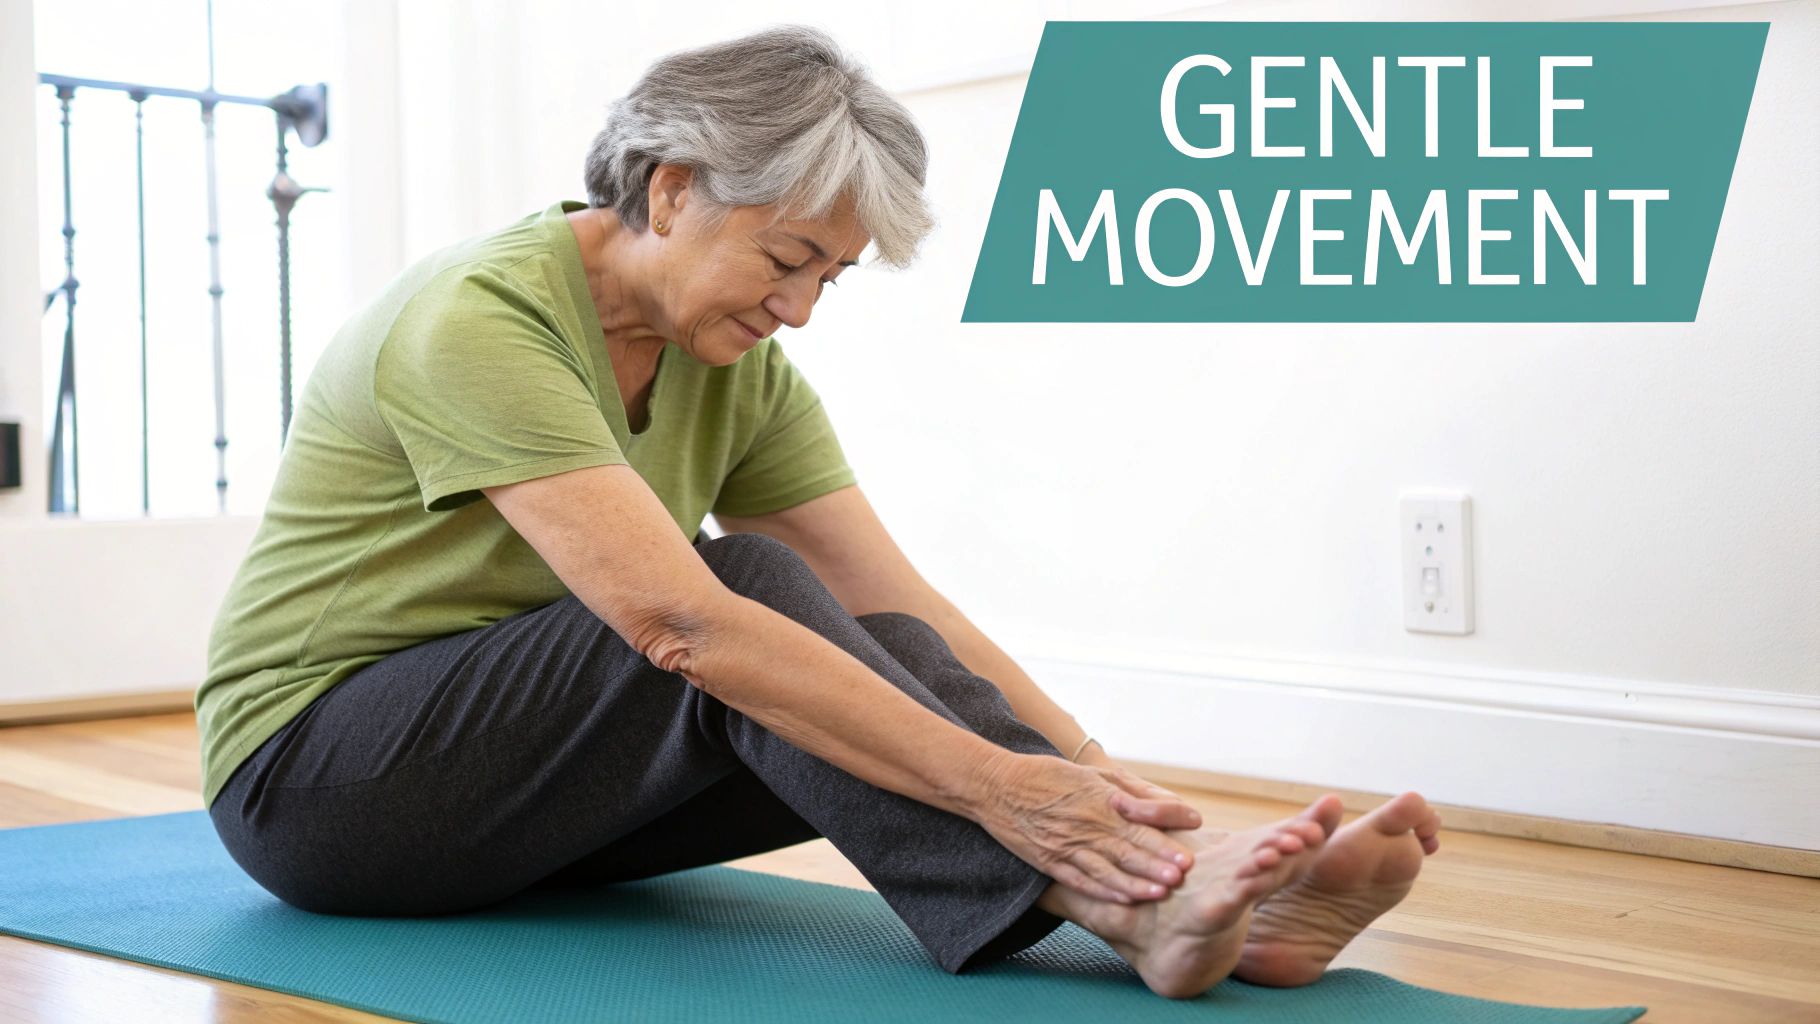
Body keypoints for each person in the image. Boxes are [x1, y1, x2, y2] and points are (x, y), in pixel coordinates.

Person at [196, 25, 1443, 999]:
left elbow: (897, 601)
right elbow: (678, 622)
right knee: (738, 594)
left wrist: (1105, 788)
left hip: (526, 803)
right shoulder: (477, 318)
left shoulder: (737, 368)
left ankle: (1164, 887)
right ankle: (1136, 911)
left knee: (883, 653)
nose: (798, 308)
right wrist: (1004, 790)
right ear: (672, 189)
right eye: (786, 259)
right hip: (317, 790)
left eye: (829, 278)